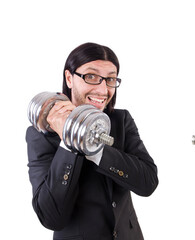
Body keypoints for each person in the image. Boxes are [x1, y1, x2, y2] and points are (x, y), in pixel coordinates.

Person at [26, 42, 158, 239]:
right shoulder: (42, 133)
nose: (103, 90)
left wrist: (96, 150)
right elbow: (51, 217)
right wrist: (68, 142)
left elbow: (148, 183)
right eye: (91, 77)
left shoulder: (121, 121)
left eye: (110, 79)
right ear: (69, 78)